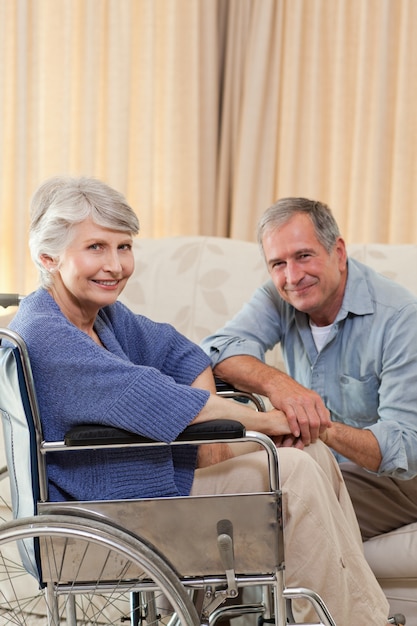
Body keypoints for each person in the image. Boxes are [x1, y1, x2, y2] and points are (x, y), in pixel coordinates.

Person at [9, 177, 393, 625]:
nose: (115, 265)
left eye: (124, 247)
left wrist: (211, 436)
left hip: (146, 478)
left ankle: (365, 617)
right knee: (292, 471)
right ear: (47, 257)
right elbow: (151, 398)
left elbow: (182, 353)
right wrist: (262, 422)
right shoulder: (47, 332)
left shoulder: (102, 316)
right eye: (96, 247)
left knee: (313, 451)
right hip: (111, 503)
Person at [201, 196, 417, 544]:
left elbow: (404, 449)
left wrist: (318, 426)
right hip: (316, 460)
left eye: (304, 256)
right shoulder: (279, 297)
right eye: (278, 263)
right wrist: (280, 386)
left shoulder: (400, 317)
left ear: (339, 252)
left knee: (275, 517)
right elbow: (217, 349)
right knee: (221, 503)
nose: (292, 276)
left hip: (396, 479)